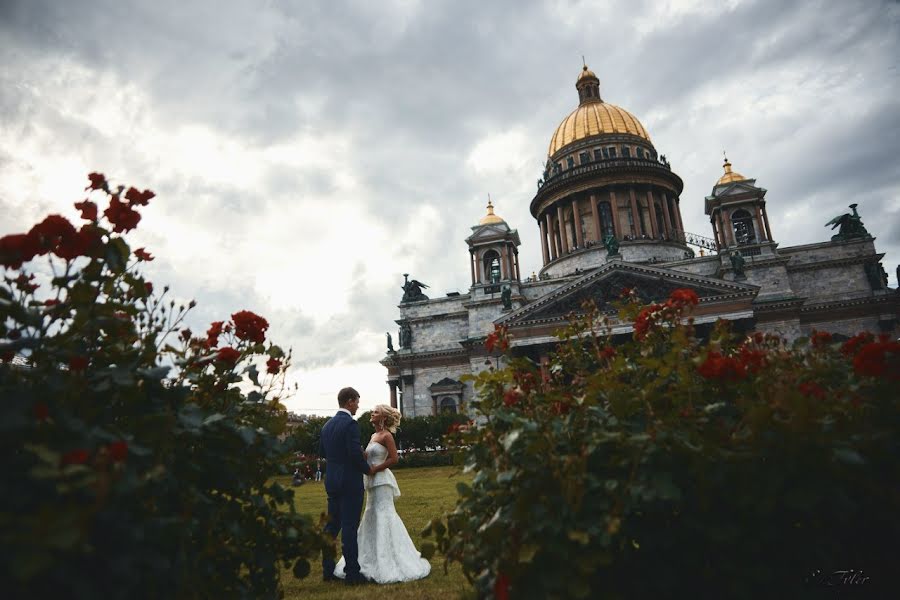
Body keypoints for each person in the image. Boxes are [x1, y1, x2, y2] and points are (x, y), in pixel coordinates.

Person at [333, 404, 431, 584]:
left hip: (381, 480)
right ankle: (369, 558)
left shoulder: (387, 436)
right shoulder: (373, 436)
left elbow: (394, 458)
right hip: (370, 480)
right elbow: (367, 457)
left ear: (383, 418)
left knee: (384, 514)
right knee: (371, 515)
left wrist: (375, 469)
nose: (372, 413)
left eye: (376, 412)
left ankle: (390, 558)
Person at [320, 387, 374, 586]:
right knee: (350, 527)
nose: (358, 406)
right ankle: (352, 573)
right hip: (349, 481)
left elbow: (323, 451)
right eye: (357, 402)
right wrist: (367, 468)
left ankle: (327, 570)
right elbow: (353, 453)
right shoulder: (351, 424)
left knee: (332, 527)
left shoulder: (327, 426)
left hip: (332, 480)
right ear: (350, 401)